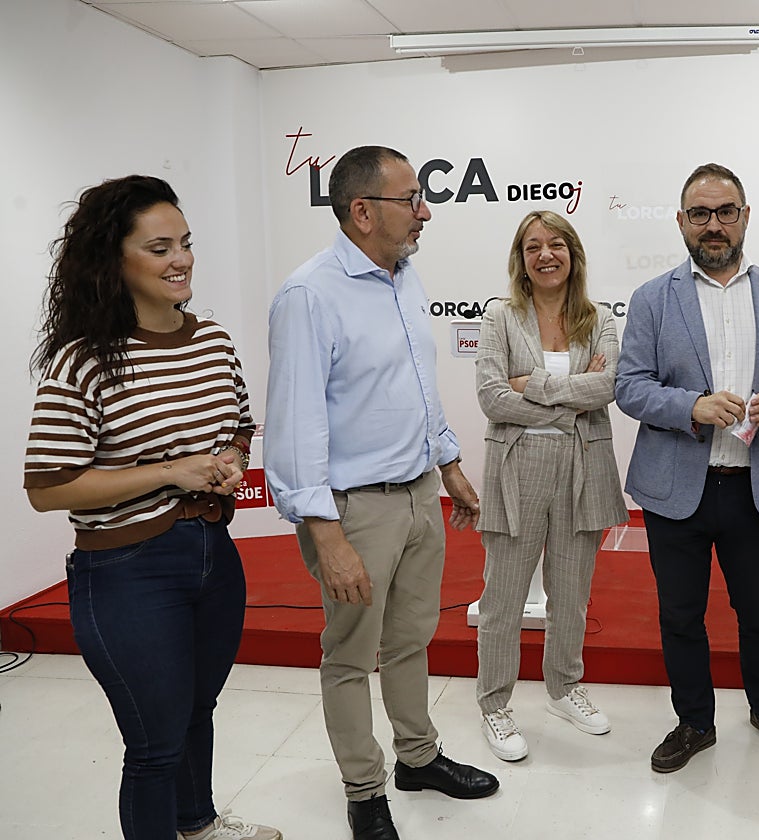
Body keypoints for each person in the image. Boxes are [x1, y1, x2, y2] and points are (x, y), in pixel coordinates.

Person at [23, 175, 278, 840]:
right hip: (126, 572)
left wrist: (230, 464)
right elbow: (47, 487)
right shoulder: (84, 361)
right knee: (155, 746)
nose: (182, 260)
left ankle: (198, 823)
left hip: (213, 556)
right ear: (115, 262)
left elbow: (240, 426)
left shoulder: (213, 340)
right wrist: (169, 471)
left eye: (186, 244)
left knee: (198, 711)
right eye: (159, 248)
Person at [264, 146, 497, 840]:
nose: (425, 212)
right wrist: (326, 534)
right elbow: (294, 426)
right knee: (349, 653)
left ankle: (417, 758)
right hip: (353, 508)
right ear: (362, 212)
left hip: (419, 492)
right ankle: (364, 792)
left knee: (409, 639)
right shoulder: (310, 294)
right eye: (411, 200)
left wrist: (448, 461)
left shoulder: (404, 275)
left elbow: (414, 387)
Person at [615, 163, 759, 773]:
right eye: (700, 214)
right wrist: (691, 406)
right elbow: (629, 387)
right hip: (674, 490)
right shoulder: (652, 298)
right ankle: (694, 722)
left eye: (725, 212)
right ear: (682, 221)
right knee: (680, 615)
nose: (714, 226)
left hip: (754, 487)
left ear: (744, 217)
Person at [472, 210, 628, 760]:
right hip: (518, 466)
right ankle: (494, 705)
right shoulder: (500, 318)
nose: (545, 254)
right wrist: (569, 401)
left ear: (573, 254)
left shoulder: (600, 317)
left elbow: (609, 386)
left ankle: (564, 688)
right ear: (521, 258)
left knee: (572, 594)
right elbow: (492, 396)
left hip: (584, 468)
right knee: (503, 598)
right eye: (533, 246)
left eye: (556, 244)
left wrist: (534, 386)